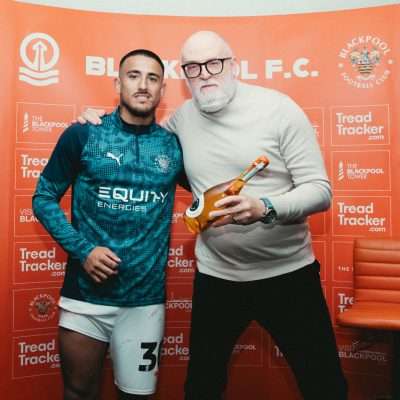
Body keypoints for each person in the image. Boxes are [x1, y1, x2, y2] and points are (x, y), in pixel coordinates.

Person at [78, 31, 348, 400]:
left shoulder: (279, 109)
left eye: (214, 64)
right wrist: (98, 122)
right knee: (202, 387)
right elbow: (139, 136)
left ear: (233, 65)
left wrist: (265, 208)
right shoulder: (182, 119)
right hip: (217, 278)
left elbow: (319, 190)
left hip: (287, 275)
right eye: (193, 67)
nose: (204, 74)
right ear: (184, 76)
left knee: (324, 386)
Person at [32, 49, 185, 400]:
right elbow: (43, 197)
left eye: (152, 78)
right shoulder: (84, 134)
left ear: (162, 90)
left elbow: (210, 189)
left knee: (137, 397)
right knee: (78, 392)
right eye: (133, 75)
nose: (143, 85)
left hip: (145, 303)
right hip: (85, 298)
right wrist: (83, 250)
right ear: (118, 84)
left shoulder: (173, 146)